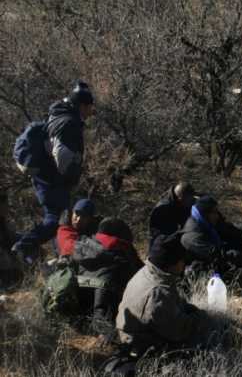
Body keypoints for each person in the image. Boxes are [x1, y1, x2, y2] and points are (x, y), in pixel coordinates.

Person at [12, 80, 95, 263]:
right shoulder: (69, 123)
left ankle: (53, 255)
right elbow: (62, 157)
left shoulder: (60, 115)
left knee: (59, 218)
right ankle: (22, 247)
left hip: (44, 175)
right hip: (51, 179)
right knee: (55, 220)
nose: (91, 111)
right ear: (82, 105)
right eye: (90, 106)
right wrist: (69, 176)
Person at [116, 232, 205, 355]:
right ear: (171, 264)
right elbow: (179, 332)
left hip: (140, 331)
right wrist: (200, 318)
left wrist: (189, 309)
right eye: (182, 260)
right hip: (141, 347)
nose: (184, 264)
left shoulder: (150, 271)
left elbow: (174, 303)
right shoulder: (158, 293)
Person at [72, 217, 143, 335]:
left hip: (78, 309)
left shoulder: (84, 246)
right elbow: (142, 275)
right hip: (103, 317)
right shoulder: (121, 255)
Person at [180, 195, 242, 287]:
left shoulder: (208, 220)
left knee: (240, 244)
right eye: (214, 212)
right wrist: (234, 255)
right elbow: (213, 254)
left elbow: (231, 230)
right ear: (206, 213)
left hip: (217, 256)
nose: (217, 215)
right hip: (202, 266)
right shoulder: (192, 235)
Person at [148, 182, 195, 251]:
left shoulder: (182, 202)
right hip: (161, 248)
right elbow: (163, 237)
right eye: (189, 199)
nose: (191, 201)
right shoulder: (162, 210)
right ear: (180, 198)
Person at [0, 192, 21, 289]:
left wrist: (28, 239)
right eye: (5, 205)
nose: (8, 208)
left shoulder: (3, 221)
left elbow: (12, 236)